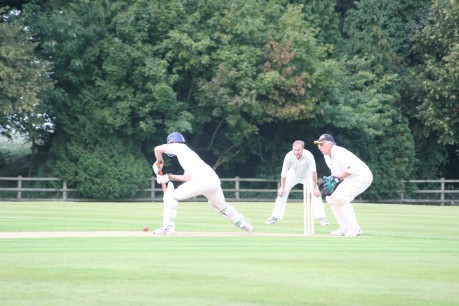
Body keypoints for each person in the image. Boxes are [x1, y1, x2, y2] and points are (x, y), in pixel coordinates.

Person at [152, 132, 253, 235]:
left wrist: (160, 161)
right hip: (213, 180)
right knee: (222, 206)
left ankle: (168, 228)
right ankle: (244, 224)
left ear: (172, 142)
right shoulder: (187, 154)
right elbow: (188, 177)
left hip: (202, 180)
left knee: (171, 196)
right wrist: (169, 176)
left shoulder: (178, 147)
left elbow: (157, 149)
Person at [313, 134, 373, 237]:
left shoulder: (339, 152)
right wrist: (330, 180)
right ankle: (344, 227)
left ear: (330, 144)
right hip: (350, 178)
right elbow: (335, 173)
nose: (319, 147)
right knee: (331, 199)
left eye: (321, 144)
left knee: (341, 199)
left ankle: (355, 228)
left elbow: (350, 170)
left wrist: (336, 179)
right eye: (318, 145)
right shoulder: (327, 156)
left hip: (362, 177)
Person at [265, 140, 329, 226]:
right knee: (281, 194)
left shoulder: (309, 156)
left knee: (316, 194)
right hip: (292, 176)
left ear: (303, 149)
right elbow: (284, 172)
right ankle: (274, 217)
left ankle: (322, 218)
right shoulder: (289, 156)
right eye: (294, 150)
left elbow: (314, 172)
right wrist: (282, 187)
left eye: (298, 150)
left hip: (307, 176)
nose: (296, 152)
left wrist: (314, 187)